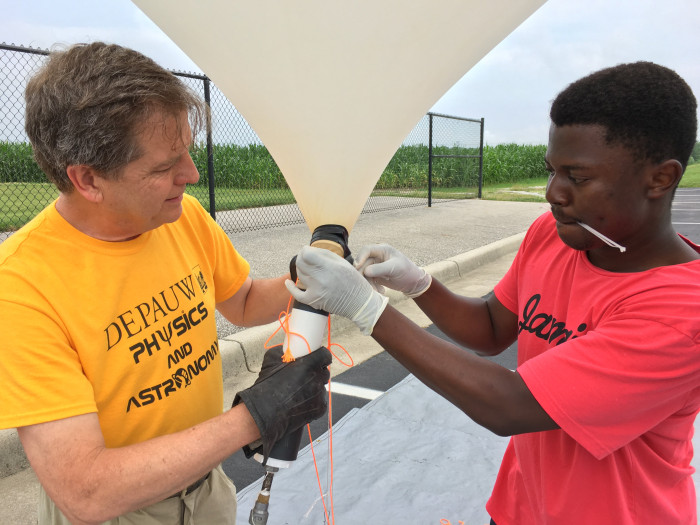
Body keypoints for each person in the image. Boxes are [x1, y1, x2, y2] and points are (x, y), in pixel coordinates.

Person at [285, 61, 700, 524]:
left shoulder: (682, 314)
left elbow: (511, 404)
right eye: (552, 171)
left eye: (577, 178)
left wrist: (367, 310)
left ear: (659, 179)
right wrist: (417, 284)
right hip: (522, 507)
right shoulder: (553, 235)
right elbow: (490, 327)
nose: (553, 192)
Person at [0, 42, 331, 525]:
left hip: (206, 490)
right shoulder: (21, 288)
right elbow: (86, 491)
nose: (191, 176)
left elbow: (239, 301)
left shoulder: (179, 217)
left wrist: (312, 280)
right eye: (163, 167)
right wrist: (255, 416)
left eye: (188, 154)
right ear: (88, 179)